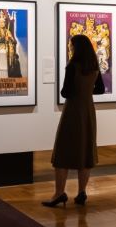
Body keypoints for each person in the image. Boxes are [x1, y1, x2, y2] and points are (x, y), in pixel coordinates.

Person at [44, 34, 105, 207]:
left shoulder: (72, 66)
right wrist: (86, 91)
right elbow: (100, 89)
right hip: (88, 111)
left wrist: (76, 90)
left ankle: (59, 193)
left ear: (76, 48)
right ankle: (81, 192)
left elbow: (66, 92)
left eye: (71, 46)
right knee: (85, 151)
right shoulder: (93, 66)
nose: (70, 48)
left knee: (62, 152)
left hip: (72, 111)